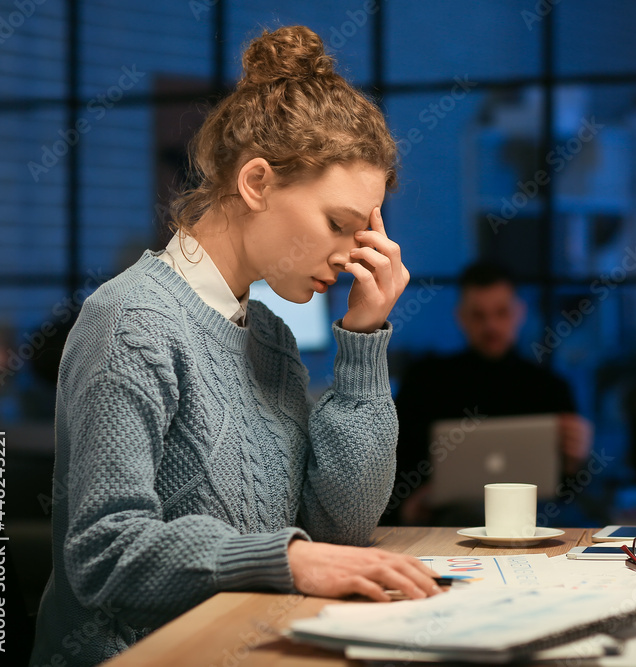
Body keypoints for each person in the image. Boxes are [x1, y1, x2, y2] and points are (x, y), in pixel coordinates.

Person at [31, 26, 442, 667]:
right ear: (256, 183)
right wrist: (286, 557)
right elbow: (104, 553)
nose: (351, 255)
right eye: (339, 224)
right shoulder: (131, 321)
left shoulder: (269, 336)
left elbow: (339, 530)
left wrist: (362, 340)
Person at [389, 261, 593, 526]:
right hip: (448, 518)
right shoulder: (425, 381)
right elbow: (396, 463)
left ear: (520, 313)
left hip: (534, 516)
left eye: (501, 313)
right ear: (461, 317)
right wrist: (407, 505)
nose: (491, 326)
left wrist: (576, 459)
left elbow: (569, 489)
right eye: (479, 315)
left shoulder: (550, 386)